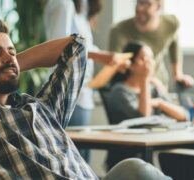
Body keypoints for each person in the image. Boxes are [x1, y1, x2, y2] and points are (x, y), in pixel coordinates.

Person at [0, 19, 172, 180]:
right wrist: (4, 66)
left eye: (11, 51)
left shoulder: (41, 107)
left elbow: (76, 47)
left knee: (134, 169)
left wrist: (10, 64)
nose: (8, 57)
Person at [44, 0, 131, 162]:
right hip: (67, 92)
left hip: (83, 93)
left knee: (82, 157)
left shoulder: (82, 6)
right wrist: (100, 57)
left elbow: (85, 45)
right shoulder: (63, 4)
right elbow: (57, 47)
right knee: (72, 158)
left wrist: (108, 58)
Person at [106, 41, 188, 169]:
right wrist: (145, 79)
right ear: (131, 65)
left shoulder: (154, 88)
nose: (148, 62)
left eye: (150, 58)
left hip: (158, 148)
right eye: (143, 58)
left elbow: (184, 115)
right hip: (131, 156)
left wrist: (159, 102)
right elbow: (142, 117)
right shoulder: (119, 91)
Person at [108, 0, 194, 89]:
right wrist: (148, 79)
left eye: (146, 4)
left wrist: (178, 74)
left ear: (158, 6)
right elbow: (116, 66)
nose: (139, 8)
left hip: (160, 83)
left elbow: (174, 43)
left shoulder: (171, 24)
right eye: (138, 2)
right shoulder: (119, 30)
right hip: (131, 86)